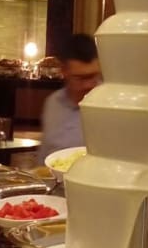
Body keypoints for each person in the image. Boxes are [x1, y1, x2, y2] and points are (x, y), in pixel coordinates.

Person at [36, 33, 101, 165]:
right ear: (64, 71)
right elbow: (44, 156)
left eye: (93, 76)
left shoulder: (109, 106)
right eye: (80, 78)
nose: (88, 85)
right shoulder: (53, 103)